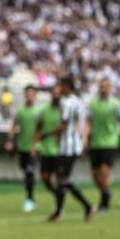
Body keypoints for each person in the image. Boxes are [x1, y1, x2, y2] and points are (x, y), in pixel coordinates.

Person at [49, 76, 93, 222]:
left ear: (67, 87)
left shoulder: (66, 103)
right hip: (74, 145)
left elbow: (63, 125)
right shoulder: (79, 101)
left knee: (63, 179)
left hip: (68, 146)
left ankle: (87, 206)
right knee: (62, 179)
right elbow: (85, 122)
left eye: (61, 86)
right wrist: (83, 140)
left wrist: (49, 134)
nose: (59, 89)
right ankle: (58, 213)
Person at [84, 78, 120, 211]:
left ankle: (104, 202)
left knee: (104, 170)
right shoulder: (93, 103)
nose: (104, 89)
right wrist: (85, 138)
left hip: (110, 142)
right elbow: (88, 122)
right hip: (95, 143)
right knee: (95, 175)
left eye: (106, 87)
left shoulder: (115, 103)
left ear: (110, 88)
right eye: (102, 86)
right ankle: (106, 191)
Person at [6, 85, 40, 212]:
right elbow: (14, 125)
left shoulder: (38, 111)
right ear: (25, 95)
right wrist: (10, 140)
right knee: (26, 171)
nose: (30, 96)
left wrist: (36, 145)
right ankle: (30, 197)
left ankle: (30, 199)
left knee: (30, 172)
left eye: (32, 94)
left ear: (34, 95)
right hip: (22, 147)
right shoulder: (20, 110)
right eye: (28, 94)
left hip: (34, 148)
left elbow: (41, 129)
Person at [35, 86, 62, 202]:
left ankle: (59, 203)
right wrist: (35, 144)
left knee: (60, 177)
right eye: (54, 93)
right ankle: (57, 194)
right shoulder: (45, 110)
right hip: (46, 148)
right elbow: (38, 127)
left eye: (58, 93)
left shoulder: (63, 110)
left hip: (59, 149)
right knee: (45, 178)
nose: (56, 96)